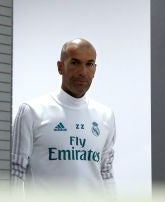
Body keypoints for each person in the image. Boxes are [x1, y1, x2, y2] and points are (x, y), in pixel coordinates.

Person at [11, 38, 116, 194]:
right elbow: (15, 171)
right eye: (75, 63)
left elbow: (106, 173)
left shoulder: (105, 116)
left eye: (89, 64)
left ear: (95, 69)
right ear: (60, 67)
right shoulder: (31, 111)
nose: (83, 72)